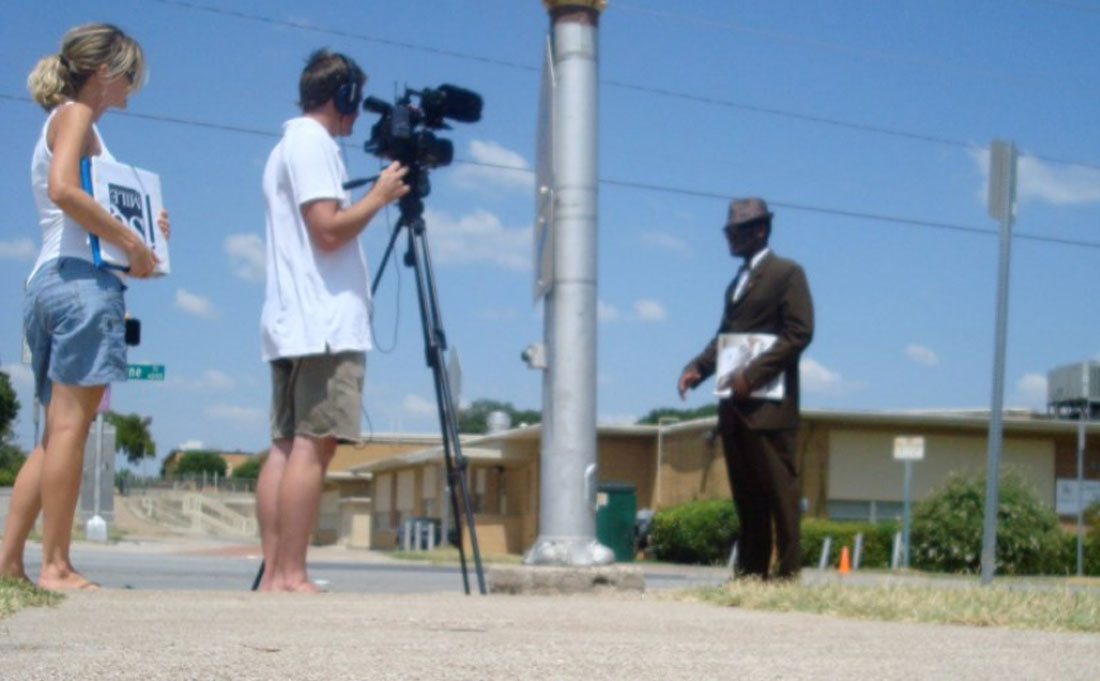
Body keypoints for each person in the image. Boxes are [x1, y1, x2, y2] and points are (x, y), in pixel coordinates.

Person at [0, 23, 168, 589]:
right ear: (104, 71)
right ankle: (56, 565)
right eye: (130, 74)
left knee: (54, 436)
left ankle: (8, 562)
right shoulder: (76, 117)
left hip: (48, 281)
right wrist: (131, 242)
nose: (133, 87)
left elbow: (73, 202)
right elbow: (64, 189)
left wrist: (146, 236)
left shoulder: (66, 123)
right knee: (73, 428)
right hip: (82, 286)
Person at [256, 50, 409, 593]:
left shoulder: (286, 146)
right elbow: (328, 229)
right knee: (313, 443)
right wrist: (380, 195)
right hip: (322, 318)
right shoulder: (314, 144)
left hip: (290, 318)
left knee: (285, 444)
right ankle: (291, 574)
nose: (357, 117)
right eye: (355, 104)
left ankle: (276, 573)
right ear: (341, 97)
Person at [677, 197, 813, 580]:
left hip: (770, 409)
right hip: (735, 409)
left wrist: (751, 375)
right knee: (747, 496)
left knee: (780, 495)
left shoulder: (787, 273)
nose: (729, 238)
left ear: (760, 230)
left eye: (735, 231)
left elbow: (799, 333)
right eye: (727, 231)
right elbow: (725, 337)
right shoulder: (734, 284)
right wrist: (697, 368)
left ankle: (788, 576)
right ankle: (751, 574)